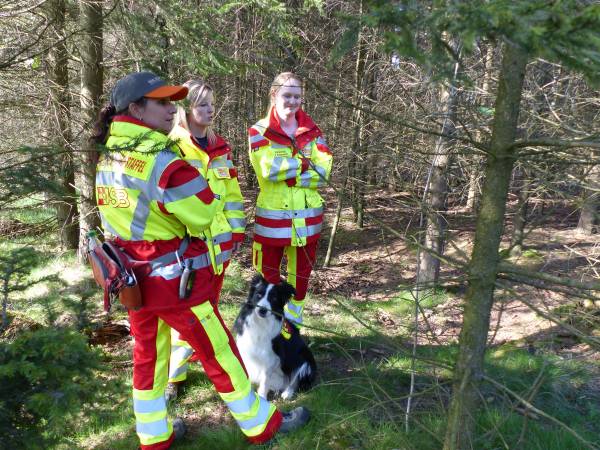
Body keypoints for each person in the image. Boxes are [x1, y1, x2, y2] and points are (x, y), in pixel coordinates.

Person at [92, 71, 309, 450]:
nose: (170, 109)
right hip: (175, 283)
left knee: (149, 357)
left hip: (134, 280)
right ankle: (262, 426)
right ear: (136, 109)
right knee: (219, 353)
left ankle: (154, 435)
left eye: (172, 101)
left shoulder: (109, 154)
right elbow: (204, 211)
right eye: (162, 103)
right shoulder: (162, 160)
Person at [165, 79, 246, 401]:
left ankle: (209, 362)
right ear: (185, 109)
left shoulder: (220, 147)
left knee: (209, 309)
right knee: (189, 314)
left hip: (220, 246)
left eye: (212, 104)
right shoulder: (173, 146)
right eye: (202, 105)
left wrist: (237, 229)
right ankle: (174, 377)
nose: (210, 110)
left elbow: (232, 195)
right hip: (189, 249)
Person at [248, 72, 333, 328]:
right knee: (268, 274)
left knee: (301, 276)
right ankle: (271, 324)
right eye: (287, 95)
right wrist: (305, 166)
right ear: (274, 95)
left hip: (308, 219)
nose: (292, 101)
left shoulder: (313, 130)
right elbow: (268, 170)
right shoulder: (258, 131)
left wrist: (291, 170)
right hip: (273, 218)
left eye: (297, 96)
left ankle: (293, 325)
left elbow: (324, 171)